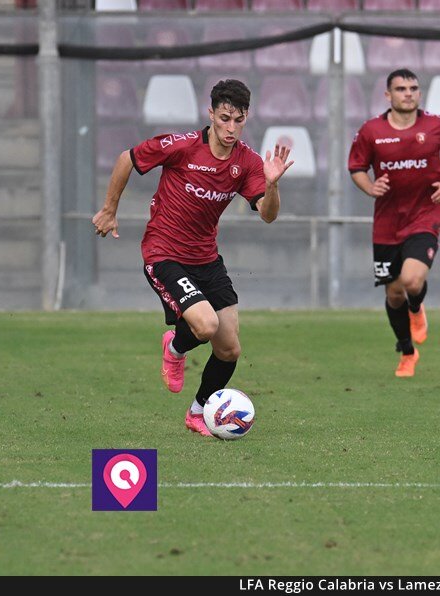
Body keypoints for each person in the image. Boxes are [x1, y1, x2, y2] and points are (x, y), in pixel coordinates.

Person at [91, 79, 294, 437]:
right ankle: (176, 345)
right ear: (211, 113)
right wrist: (109, 210)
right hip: (163, 252)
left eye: (239, 120)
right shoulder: (181, 147)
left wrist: (273, 184)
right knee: (205, 326)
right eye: (225, 118)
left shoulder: (246, 161)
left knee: (230, 348)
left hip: (207, 259)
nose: (231, 128)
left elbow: (267, 214)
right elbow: (127, 159)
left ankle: (198, 412)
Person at [348, 68, 440, 377]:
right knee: (393, 293)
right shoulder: (371, 130)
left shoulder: (437, 126)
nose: (408, 93)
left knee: (412, 281)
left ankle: (417, 308)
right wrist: (369, 187)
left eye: (413, 88)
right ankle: (407, 351)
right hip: (387, 222)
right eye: (401, 89)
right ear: (388, 95)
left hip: (425, 215)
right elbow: (357, 167)